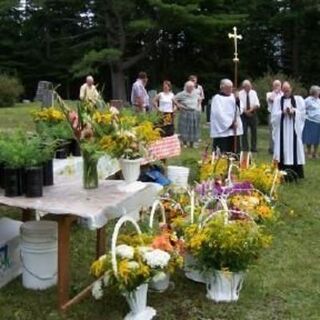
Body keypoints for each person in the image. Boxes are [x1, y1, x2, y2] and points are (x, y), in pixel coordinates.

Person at [272, 81, 306, 178]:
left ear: (291, 89)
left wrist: (294, 112)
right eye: (284, 90)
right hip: (282, 130)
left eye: (288, 90)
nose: (286, 92)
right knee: (282, 148)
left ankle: (297, 172)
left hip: (293, 129)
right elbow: (274, 116)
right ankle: (281, 171)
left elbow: (303, 114)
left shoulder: (298, 100)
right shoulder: (278, 100)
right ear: (282, 90)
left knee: (295, 149)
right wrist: (282, 112)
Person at [210, 79, 244, 153]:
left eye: (231, 87)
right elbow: (218, 114)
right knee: (223, 150)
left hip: (234, 128)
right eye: (228, 87)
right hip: (222, 129)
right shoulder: (217, 98)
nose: (230, 89)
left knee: (234, 150)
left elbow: (240, 110)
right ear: (222, 88)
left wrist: (237, 100)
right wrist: (230, 124)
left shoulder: (234, 97)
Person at [174, 81, 200, 148]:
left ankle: (192, 143)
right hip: (185, 112)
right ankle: (184, 143)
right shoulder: (182, 93)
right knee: (184, 128)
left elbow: (200, 99)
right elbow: (173, 99)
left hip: (193, 112)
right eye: (190, 87)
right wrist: (179, 105)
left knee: (193, 128)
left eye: (192, 87)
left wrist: (197, 105)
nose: (191, 88)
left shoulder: (195, 93)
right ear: (186, 87)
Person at [239, 80, 260, 153]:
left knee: (254, 131)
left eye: (250, 86)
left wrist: (250, 110)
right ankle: (245, 148)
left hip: (253, 113)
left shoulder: (254, 93)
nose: (249, 87)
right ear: (244, 87)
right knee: (244, 131)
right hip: (243, 115)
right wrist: (245, 112)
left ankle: (254, 148)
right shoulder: (240, 94)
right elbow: (240, 105)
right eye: (247, 86)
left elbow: (257, 104)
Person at [302, 85, 320, 158]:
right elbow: (302, 108)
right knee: (309, 138)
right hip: (310, 120)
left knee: (317, 138)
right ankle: (308, 152)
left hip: (318, 122)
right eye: (318, 91)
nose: (319, 92)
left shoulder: (319, 100)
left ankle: (315, 153)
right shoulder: (308, 100)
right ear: (314, 92)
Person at [266, 80, 283, 154]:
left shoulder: (283, 94)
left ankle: (280, 148)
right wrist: (275, 92)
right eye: (275, 85)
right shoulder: (269, 94)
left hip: (281, 115)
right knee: (272, 131)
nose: (277, 87)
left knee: (281, 131)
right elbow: (271, 99)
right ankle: (272, 148)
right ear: (273, 86)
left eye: (278, 85)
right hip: (272, 114)